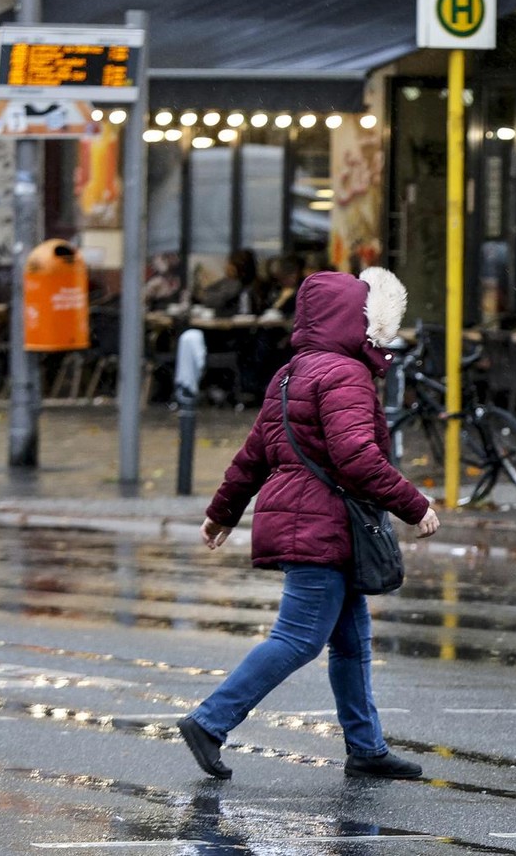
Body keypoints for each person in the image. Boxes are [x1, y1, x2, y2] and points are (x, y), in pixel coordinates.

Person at [177, 266, 441, 781]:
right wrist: (414, 504)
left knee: (351, 642)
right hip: (322, 526)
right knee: (298, 638)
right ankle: (210, 721)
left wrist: (222, 511)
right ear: (353, 319)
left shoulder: (291, 373)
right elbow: (356, 458)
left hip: (318, 524)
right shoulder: (344, 374)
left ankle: (366, 748)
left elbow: (253, 455)